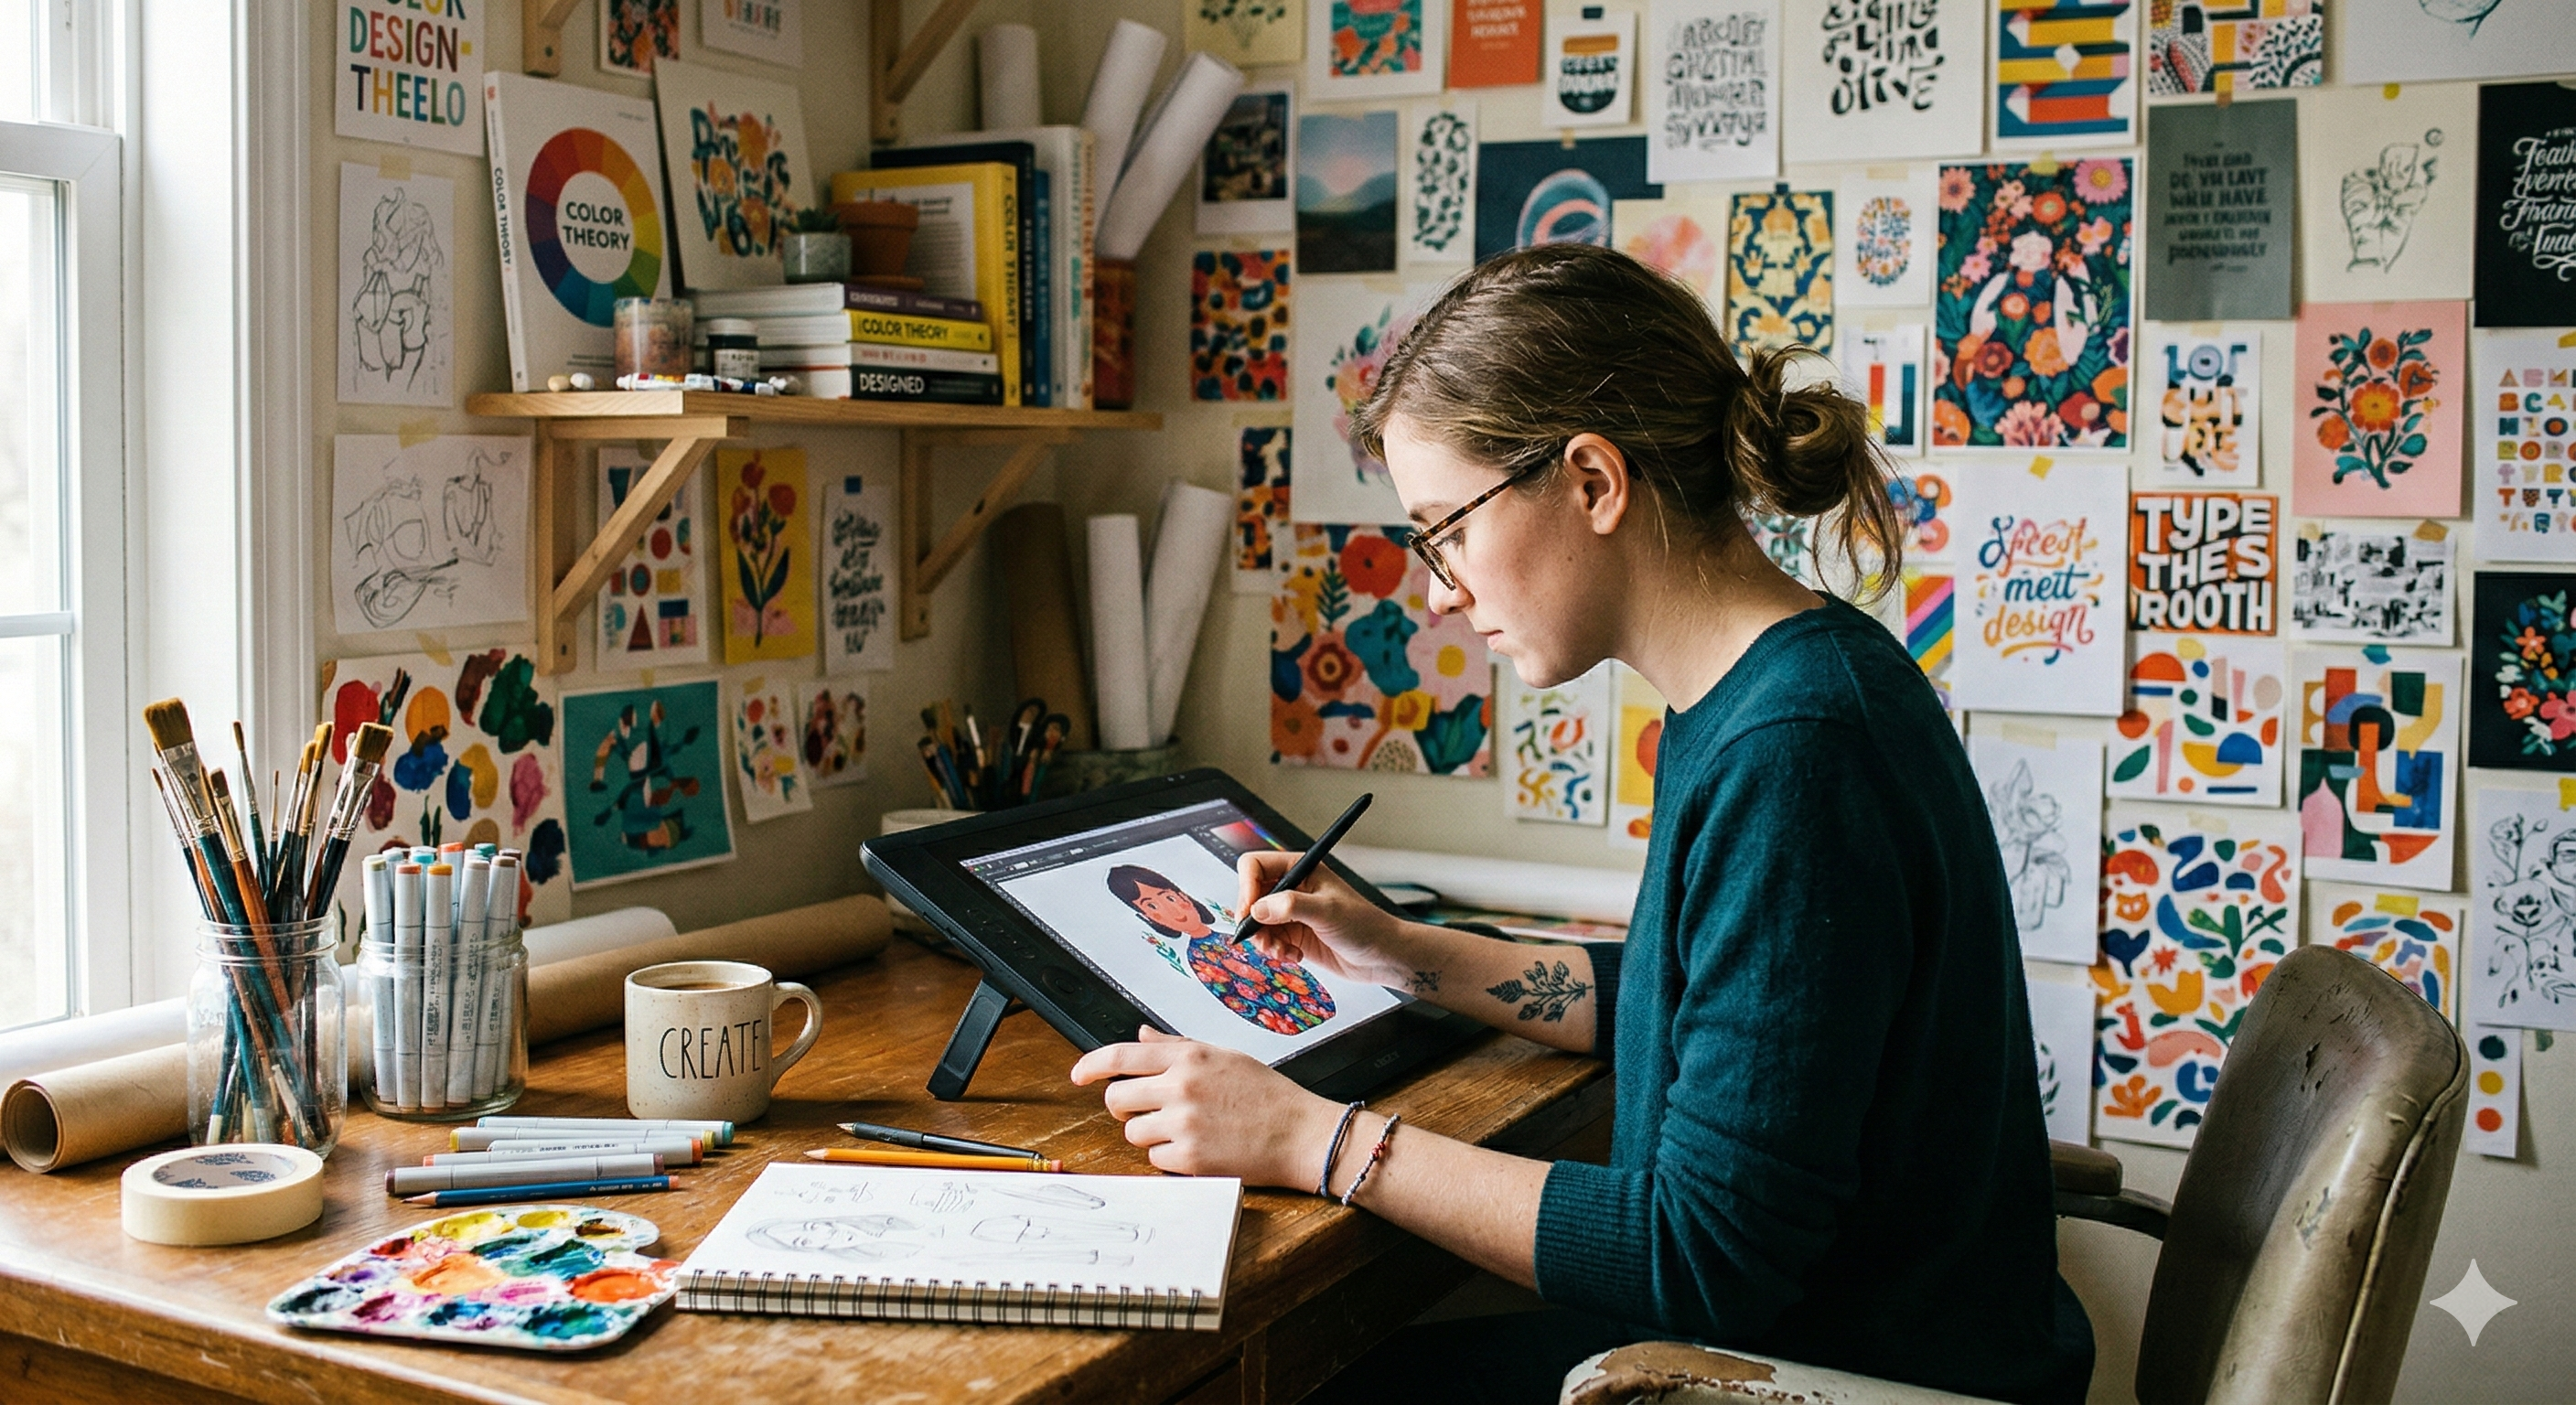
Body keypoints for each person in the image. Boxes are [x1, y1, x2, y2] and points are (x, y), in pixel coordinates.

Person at [1070, 244, 2093, 1404]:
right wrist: (1400, 951)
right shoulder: (1784, 686)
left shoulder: (1796, 751)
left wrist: (1310, 1140)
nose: (1437, 591)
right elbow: (1702, 1005)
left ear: (1593, 482)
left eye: (1444, 530)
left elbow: (1697, 1257)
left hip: (1830, 1380)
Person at [1104, 863, 1338, 1035]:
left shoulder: (1234, 936)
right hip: (1287, 1023)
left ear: (1183, 896)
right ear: (1149, 919)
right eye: (1152, 907)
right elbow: (1240, 1003)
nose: (1173, 911)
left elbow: (1291, 970)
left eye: (1169, 898)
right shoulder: (1198, 959)